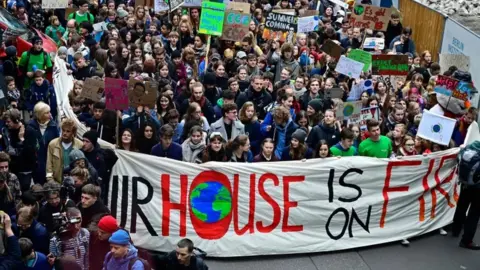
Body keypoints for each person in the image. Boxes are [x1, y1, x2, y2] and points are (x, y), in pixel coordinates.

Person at [1, 109, 37, 192]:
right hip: (11, 169)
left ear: (16, 120)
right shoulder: (6, 131)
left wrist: (22, 139)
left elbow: (30, 153)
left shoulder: (29, 131)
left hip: (25, 170)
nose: (6, 124)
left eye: (8, 122)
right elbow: (5, 148)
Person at [28, 102, 60, 185]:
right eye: (47, 113)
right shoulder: (30, 127)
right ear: (39, 114)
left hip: (50, 161)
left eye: (49, 112)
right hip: (36, 163)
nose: (50, 114)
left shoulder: (53, 126)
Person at [47, 119, 83, 183]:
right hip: (56, 182)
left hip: (74, 181)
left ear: (73, 133)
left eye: (68, 131)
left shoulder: (80, 145)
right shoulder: (52, 144)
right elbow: (49, 165)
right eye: (63, 130)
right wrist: (50, 180)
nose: (64, 133)